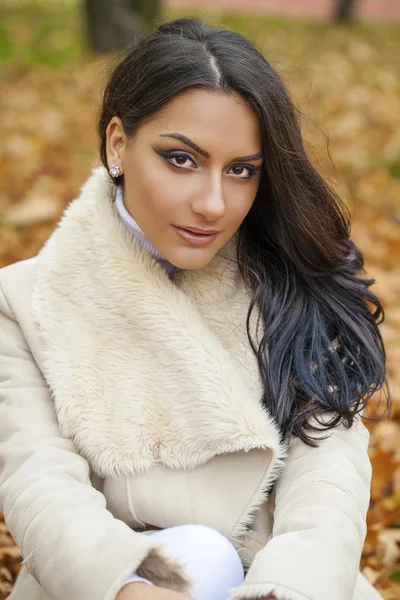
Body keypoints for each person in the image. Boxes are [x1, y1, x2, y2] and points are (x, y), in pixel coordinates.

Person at [0, 16, 390, 600]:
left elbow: (327, 491)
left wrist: (282, 591)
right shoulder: (25, 300)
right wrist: (129, 588)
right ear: (117, 143)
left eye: (241, 171)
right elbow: (40, 488)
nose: (212, 203)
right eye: (181, 159)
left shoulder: (293, 285)